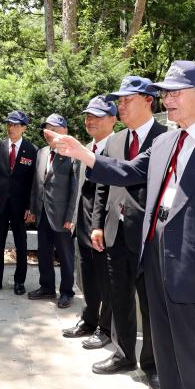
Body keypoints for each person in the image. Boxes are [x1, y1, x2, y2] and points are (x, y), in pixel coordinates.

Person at [46, 61, 195, 389]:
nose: (168, 99)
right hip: (155, 261)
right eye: (166, 93)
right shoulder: (165, 143)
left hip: (194, 271)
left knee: (193, 355)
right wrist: (82, 154)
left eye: (176, 92)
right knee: (164, 350)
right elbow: (127, 171)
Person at [89, 77, 166, 389]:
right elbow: (103, 185)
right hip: (113, 231)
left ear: (148, 100)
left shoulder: (165, 140)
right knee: (118, 296)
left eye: (126, 100)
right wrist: (97, 223)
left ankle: (154, 365)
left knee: (150, 304)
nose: (120, 105)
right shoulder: (116, 140)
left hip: (147, 236)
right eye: (118, 101)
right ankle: (123, 355)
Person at [62, 96, 116, 350]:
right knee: (86, 279)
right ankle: (89, 319)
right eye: (88, 116)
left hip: (104, 228)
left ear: (113, 119)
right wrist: (74, 220)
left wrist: (102, 227)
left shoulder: (117, 148)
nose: (90, 121)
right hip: (82, 226)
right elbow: (79, 189)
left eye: (97, 116)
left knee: (106, 281)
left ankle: (106, 329)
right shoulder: (84, 149)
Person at [0, 110, 37, 295]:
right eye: (9, 124)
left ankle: (19, 282)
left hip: (21, 207)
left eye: (15, 125)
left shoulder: (32, 150)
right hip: (1, 204)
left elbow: (33, 182)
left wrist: (30, 206)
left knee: (21, 244)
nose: (11, 128)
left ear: (24, 128)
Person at [27, 114, 78, 308]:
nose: (50, 133)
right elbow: (37, 183)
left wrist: (70, 216)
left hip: (62, 216)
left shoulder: (73, 154)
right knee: (44, 253)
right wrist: (33, 208)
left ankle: (66, 292)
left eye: (55, 129)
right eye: (47, 130)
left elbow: (75, 189)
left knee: (65, 256)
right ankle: (47, 287)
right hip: (42, 214)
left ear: (65, 131)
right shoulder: (41, 153)